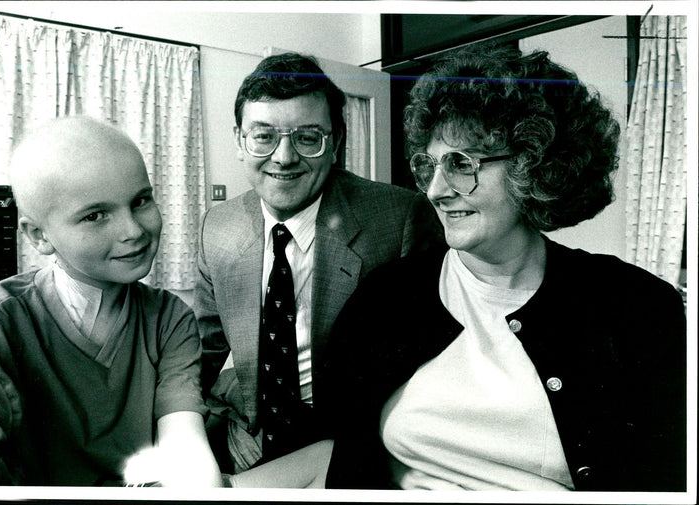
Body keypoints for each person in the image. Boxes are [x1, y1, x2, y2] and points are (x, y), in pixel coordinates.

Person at [233, 44, 687, 491]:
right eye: (429, 164)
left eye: (461, 164)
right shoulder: (387, 297)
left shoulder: (635, 308)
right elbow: (341, 453)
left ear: (535, 165)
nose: (435, 190)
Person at [0, 116, 222, 487]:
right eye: (95, 215)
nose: (134, 230)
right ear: (38, 235)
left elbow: (186, 451)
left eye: (140, 201)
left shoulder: (169, 320)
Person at [194, 52, 441, 473]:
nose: (284, 157)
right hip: (249, 442)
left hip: (349, 446)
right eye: (263, 136)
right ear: (239, 141)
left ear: (336, 142)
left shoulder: (399, 219)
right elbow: (206, 348)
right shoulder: (217, 226)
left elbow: (430, 365)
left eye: (308, 137)